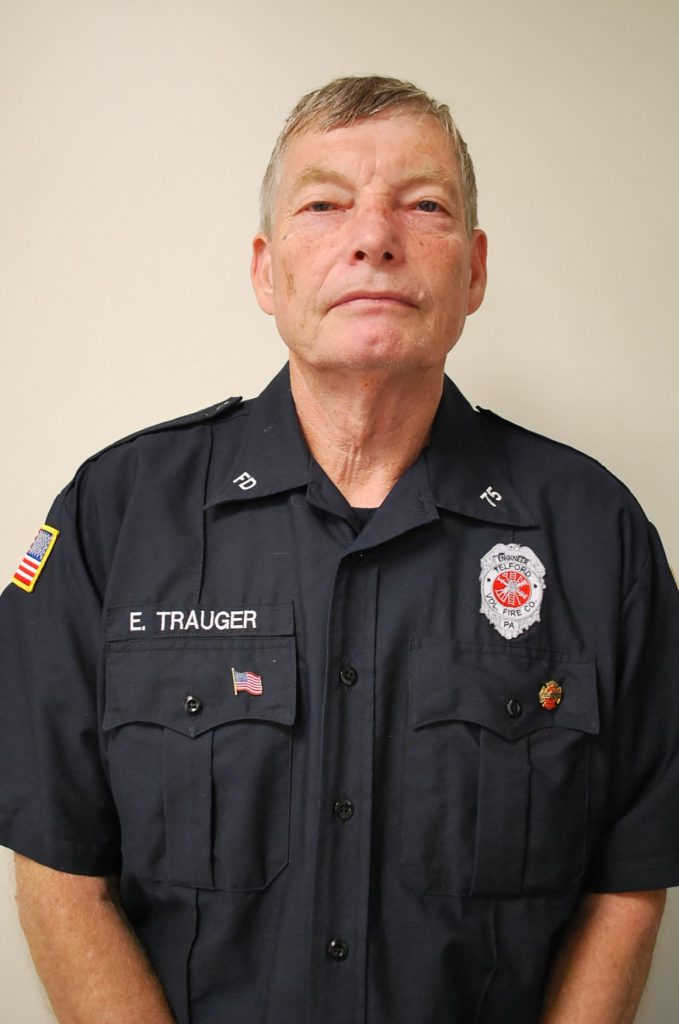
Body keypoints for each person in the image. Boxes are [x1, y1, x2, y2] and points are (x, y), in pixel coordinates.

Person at [1, 74, 678, 1024]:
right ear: (266, 269)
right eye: (324, 204)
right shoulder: (113, 517)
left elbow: (629, 881)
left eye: (423, 205)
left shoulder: (595, 534)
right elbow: (57, 870)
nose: (373, 237)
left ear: (473, 270)